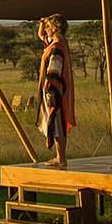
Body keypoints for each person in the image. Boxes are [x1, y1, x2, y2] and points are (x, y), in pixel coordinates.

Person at [35, 14, 76, 167]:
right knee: (56, 122)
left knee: (57, 122)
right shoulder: (61, 42)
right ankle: (60, 157)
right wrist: (42, 22)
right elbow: (41, 35)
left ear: (55, 28)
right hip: (57, 90)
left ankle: (61, 158)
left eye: (48, 27)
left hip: (54, 91)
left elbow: (54, 71)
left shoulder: (56, 47)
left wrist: (50, 91)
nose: (45, 30)